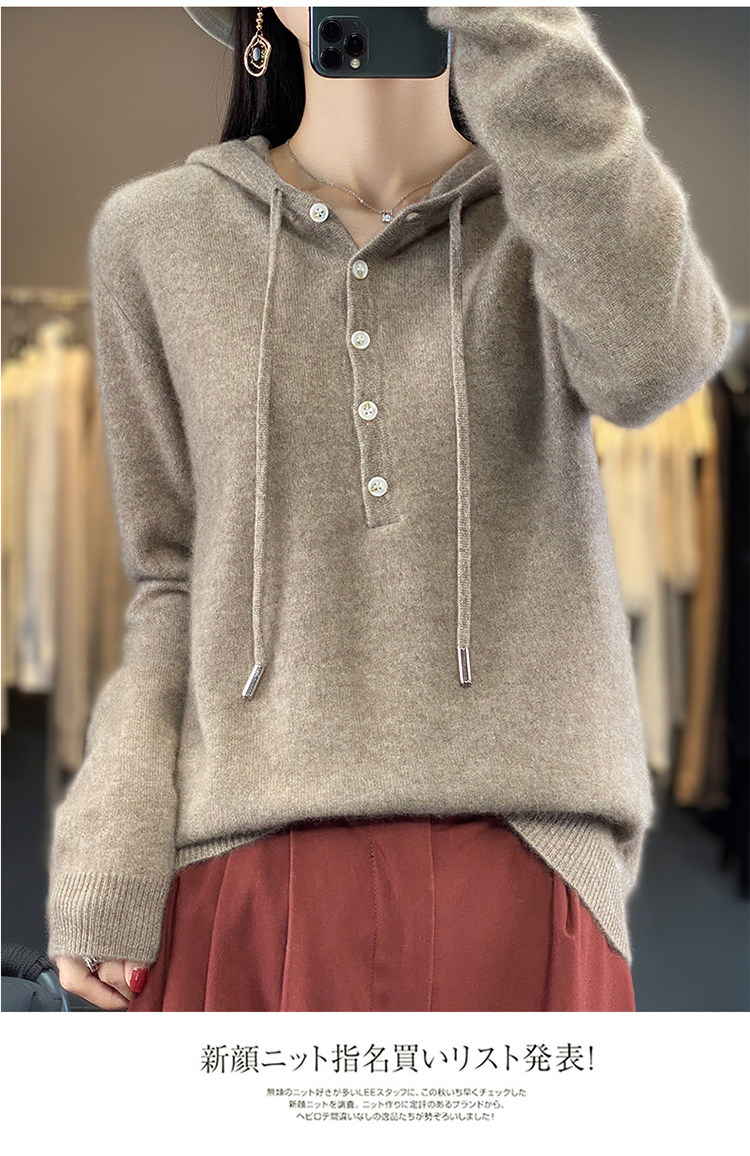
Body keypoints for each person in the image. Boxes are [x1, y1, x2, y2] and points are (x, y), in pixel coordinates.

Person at [46, 6, 731, 1011]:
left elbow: (657, 364)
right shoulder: (156, 234)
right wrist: (109, 851)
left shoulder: (558, 212)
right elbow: (171, 576)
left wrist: (512, 20)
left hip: (531, 868)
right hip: (238, 871)